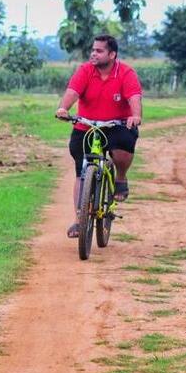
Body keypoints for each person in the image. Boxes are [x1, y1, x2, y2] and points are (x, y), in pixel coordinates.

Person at [55, 35, 142, 238]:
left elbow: (134, 97)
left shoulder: (126, 72)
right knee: (81, 171)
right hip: (87, 125)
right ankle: (79, 220)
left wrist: (135, 115)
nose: (94, 53)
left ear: (112, 55)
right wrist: (63, 108)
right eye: (93, 50)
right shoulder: (85, 70)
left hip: (116, 124)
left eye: (100, 50)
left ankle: (120, 177)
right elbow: (72, 92)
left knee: (123, 149)